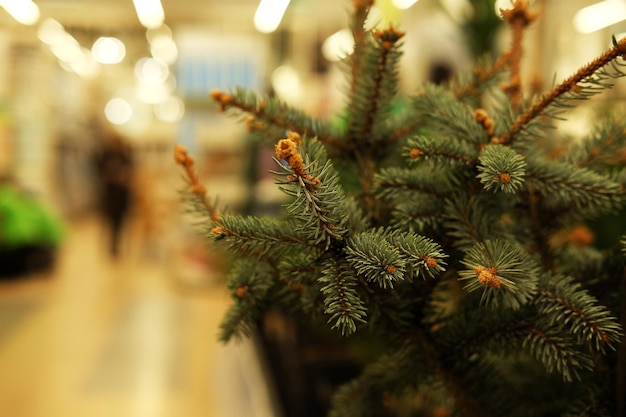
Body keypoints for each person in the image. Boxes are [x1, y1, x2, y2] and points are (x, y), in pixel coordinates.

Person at [94, 131, 134, 258]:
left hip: (122, 195)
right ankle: (111, 246)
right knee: (110, 222)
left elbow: (131, 172)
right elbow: (98, 169)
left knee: (120, 223)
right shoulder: (106, 154)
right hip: (110, 194)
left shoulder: (125, 155)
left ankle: (116, 246)